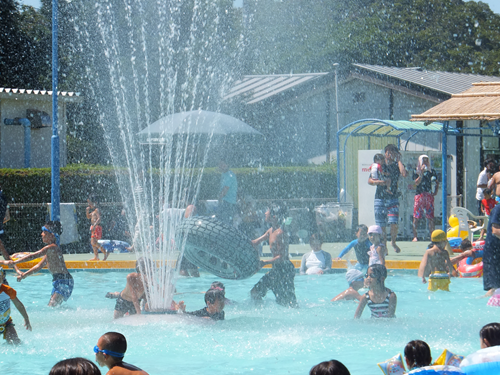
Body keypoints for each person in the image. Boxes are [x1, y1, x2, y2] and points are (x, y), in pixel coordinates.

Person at [9, 221, 74, 307]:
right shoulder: (50, 251)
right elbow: (39, 266)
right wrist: (25, 275)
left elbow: (33, 256)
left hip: (64, 281)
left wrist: (15, 262)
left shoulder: (52, 248)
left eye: (44, 232)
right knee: (52, 307)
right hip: (58, 281)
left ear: (52, 235)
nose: (41, 234)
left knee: (52, 308)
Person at [250, 205, 298, 308]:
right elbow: (254, 242)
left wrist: (264, 263)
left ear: (274, 216)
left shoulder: (281, 233)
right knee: (255, 292)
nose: (265, 213)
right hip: (277, 270)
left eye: (267, 211)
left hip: (285, 270)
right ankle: (261, 314)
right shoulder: (270, 231)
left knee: (288, 303)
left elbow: (282, 257)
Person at [369, 145, 407, 254]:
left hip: (393, 198)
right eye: (388, 152)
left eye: (393, 152)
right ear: (385, 153)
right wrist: (381, 182)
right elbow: (370, 181)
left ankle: (393, 242)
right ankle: (384, 245)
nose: (390, 154)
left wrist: (399, 161)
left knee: (393, 222)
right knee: (382, 224)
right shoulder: (379, 165)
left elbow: (404, 174)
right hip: (380, 198)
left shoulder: (396, 165)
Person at [0, 268, 32, 344]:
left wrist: (26, 318)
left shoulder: (8, 290)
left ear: (3, 277)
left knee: (16, 343)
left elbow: (18, 304)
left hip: (6, 323)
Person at [412, 155, 439, 242]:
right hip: (419, 195)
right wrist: (421, 173)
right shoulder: (416, 171)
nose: (425, 162)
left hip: (428, 195)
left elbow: (436, 182)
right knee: (416, 217)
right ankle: (415, 236)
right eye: (423, 161)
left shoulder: (431, 171)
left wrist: (435, 191)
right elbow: (416, 183)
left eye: (427, 160)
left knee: (430, 217)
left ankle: (432, 235)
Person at [483, 204, 500, 296]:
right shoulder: (498, 209)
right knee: (494, 289)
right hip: (493, 255)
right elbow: (495, 231)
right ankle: (479, 303)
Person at [87, 195, 108, 261]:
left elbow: (99, 218)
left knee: (93, 242)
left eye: (90, 203)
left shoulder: (96, 210)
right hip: (94, 227)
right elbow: (88, 217)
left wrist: (95, 225)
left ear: (95, 203)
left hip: (97, 227)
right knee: (93, 242)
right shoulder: (93, 211)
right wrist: (87, 211)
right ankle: (96, 257)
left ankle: (105, 252)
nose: (89, 204)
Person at [217, 159, 238, 225]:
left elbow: (225, 190)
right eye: (220, 164)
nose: (221, 166)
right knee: (223, 222)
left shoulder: (230, 175)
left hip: (228, 203)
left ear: (227, 165)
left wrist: (219, 198)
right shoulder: (224, 174)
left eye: (223, 164)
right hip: (226, 202)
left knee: (225, 223)